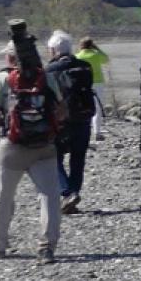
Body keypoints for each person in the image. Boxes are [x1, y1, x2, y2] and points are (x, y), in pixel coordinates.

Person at [0, 32, 65, 262]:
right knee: (49, 196)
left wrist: (11, 126)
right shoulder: (47, 78)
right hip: (44, 147)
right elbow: (61, 111)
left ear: (11, 58)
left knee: (3, 195)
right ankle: (47, 246)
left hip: (12, 147)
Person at [46, 31, 97, 216]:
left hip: (61, 121)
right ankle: (74, 193)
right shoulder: (85, 66)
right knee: (78, 159)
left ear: (53, 50)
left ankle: (67, 192)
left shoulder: (50, 70)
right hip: (83, 117)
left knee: (54, 158)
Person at [74, 38, 108, 141]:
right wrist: (97, 49)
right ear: (91, 45)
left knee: (84, 106)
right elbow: (106, 59)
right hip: (97, 82)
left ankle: (85, 130)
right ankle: (97, 132)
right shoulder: (96, 55)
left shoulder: (77, 56)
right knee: (97, 108)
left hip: (83, 84)